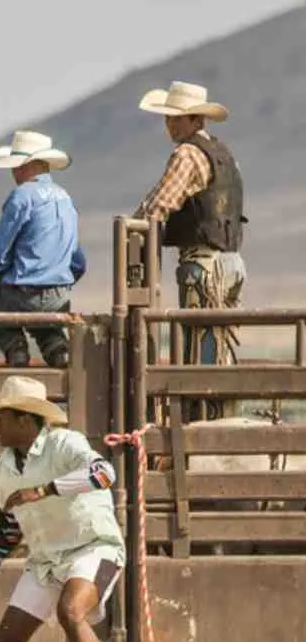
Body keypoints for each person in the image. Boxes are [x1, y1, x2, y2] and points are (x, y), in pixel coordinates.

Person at [0, 375, 122, 642]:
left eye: (2, 416)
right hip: (46, 563)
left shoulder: (65, 444)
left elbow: (105, 473)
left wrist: (44, 490)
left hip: (98, 550)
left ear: (24, 419)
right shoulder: (5, 468)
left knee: (71, 611)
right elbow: (9, 524)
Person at [132, 81, 245, 422]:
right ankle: (222, 419)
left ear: (196, 119)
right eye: (169, 118)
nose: (170, 125)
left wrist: (133, 226)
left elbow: (158, 205)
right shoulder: (224, 153)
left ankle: (201, 426)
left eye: (176, 118)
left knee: (198, 346)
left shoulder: (187, 154)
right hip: (232, 261)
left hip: (203, 264)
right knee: (220, 345)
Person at [0, 131, 86, 369]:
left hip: (24, 294)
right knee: (45, 316)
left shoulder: (22, 196)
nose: (13, 172)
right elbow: (78, 261)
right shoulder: (66, 199)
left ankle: (16, 349)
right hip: (59, 297)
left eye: (17, 165)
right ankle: (57, 349)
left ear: (27, 165)